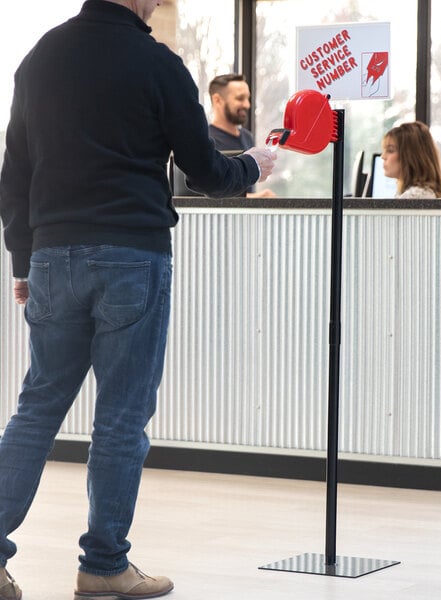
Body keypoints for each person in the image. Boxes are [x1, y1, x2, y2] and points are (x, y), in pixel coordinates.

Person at [0, 1, 276, 599]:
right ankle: (103, 566)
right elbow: (203, 170)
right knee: (121, 419)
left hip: (52, 255)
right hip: (131, 255)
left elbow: (14, 172)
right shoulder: (157, 63)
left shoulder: (41, 57)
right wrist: (253, 165)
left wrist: (25, 259)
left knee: (36, 409)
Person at [208, 73, 276, 198]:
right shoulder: (206, 140)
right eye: (240, 98)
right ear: (217, 100)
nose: (247, 105)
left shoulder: (247, 137)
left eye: (247, 98)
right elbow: (209, 192)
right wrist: (258, 198)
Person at [381, 121, 441, 199]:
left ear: (410, 156)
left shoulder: (415, 197)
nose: (383, 156)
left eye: (390, 150)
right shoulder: (409, 194)